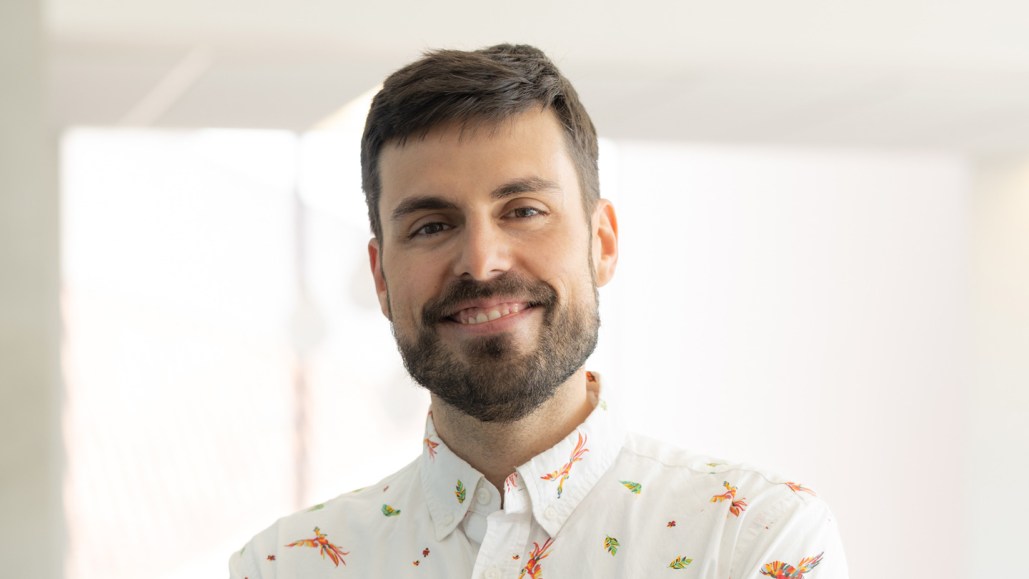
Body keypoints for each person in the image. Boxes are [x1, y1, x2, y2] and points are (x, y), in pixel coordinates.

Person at [230, 43, 848, 579]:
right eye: (431, 225)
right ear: (381, 277)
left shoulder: (753, 541)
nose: (481, 261)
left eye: (522, 210)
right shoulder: (284, 566)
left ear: (601, 243)